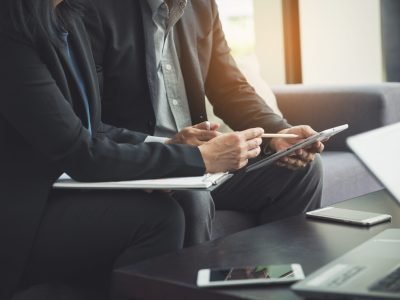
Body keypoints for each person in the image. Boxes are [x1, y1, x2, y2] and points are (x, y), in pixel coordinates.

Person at [0, 0, 265, 299]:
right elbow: (78, 152)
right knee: (159, 218)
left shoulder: (67, 18)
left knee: (171, 210)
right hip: (25, 209)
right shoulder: (10, 34)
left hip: (63, 186)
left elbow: (94, 127)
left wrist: (169, 146)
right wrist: (197, 159)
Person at [81, 0, 325, 245]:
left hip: (205, 163)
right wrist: (169, 146)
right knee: (192, 197)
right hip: (144, 163)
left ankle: (279, 278)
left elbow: (230, 89)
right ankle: (190, 283)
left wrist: (280, 131)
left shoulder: (202, 6)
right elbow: (87, 123)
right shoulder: (95, 10)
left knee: (302, 170)